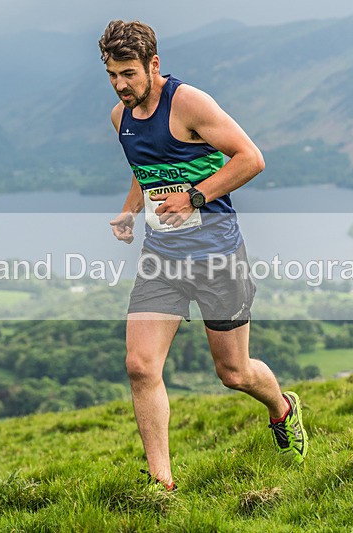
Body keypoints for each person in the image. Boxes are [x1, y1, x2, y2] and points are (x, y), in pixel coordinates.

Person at [99, 19, 307, 491]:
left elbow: (251, 158)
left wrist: (194, 197)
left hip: (218, 256)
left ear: (154, 64)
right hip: (162, 259)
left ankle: (283, 409)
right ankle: (161, 484)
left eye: (128, 73)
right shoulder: (121, 117)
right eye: (112, 75)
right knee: (140, 365)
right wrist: (130, 211)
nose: (120, 85)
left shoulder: (188, 103)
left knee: (234, 373)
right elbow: (145, 169)